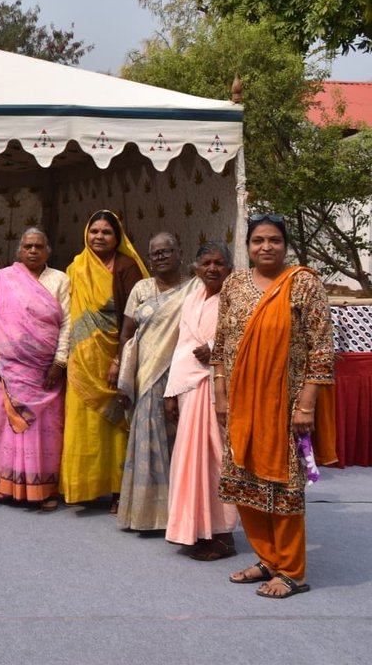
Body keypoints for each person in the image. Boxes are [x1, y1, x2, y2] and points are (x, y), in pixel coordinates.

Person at [215, 215, 333, 598]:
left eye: (275, 240)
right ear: (247, 246)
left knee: (284, 486)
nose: (266, 247)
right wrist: (220, 392)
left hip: (285, 405)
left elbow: (322, 348)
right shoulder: (234, 283)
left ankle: (292, 571)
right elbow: (220, 341)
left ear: (285, 245)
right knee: (245, 482)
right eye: (258, 240)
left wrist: (307, 404)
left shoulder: (303, 283)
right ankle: (267, 559)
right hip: (241, 401)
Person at [60, 210, 148, 510]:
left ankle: (118, 491)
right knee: (81, 423)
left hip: (114, 356)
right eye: (94, 231)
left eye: (106, 232)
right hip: (81, 360)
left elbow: (136, 319)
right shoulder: (76, 267)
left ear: (117, 237)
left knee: (115, 425)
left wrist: (118, 360)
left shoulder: (127, 267)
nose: (98, 237)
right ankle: (82, 486)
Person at [165, 243, 238, 559]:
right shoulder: (191, 298)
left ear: (229, 268)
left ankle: (223, 536)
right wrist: (171, 392)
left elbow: (245, 340)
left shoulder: (235, 300)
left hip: (218, 392)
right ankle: (195, 530)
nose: (212, 269)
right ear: (195, 267)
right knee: (189, 462)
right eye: (206, 263)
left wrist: (214, 350)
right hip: (190, 391)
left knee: (217, 461)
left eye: (219, 263)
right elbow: (181, 345)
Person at [0, 228, 70, 510]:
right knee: (8, 427)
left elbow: (68, 322)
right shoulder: (2, 279)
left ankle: (43, 489)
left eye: (38, 246)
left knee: (44, 429)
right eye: (27, 246)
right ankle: (6, 485)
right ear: (19, 251)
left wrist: (60, 362)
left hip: (45, 371)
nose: (33, 251)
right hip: (9, 370)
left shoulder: (61, 280)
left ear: (48, 251)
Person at [115, 232, 192, 531]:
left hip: (182, 375)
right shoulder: (141, 288)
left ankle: (181, 513)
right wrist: (124, 372)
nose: (160, 257)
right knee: (148, 444)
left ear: (179, 253)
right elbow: (126, 334)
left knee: (181, 443)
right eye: (154, 254)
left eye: (166, 251)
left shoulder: (194, 288)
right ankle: (148, 515)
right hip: (147, 376)